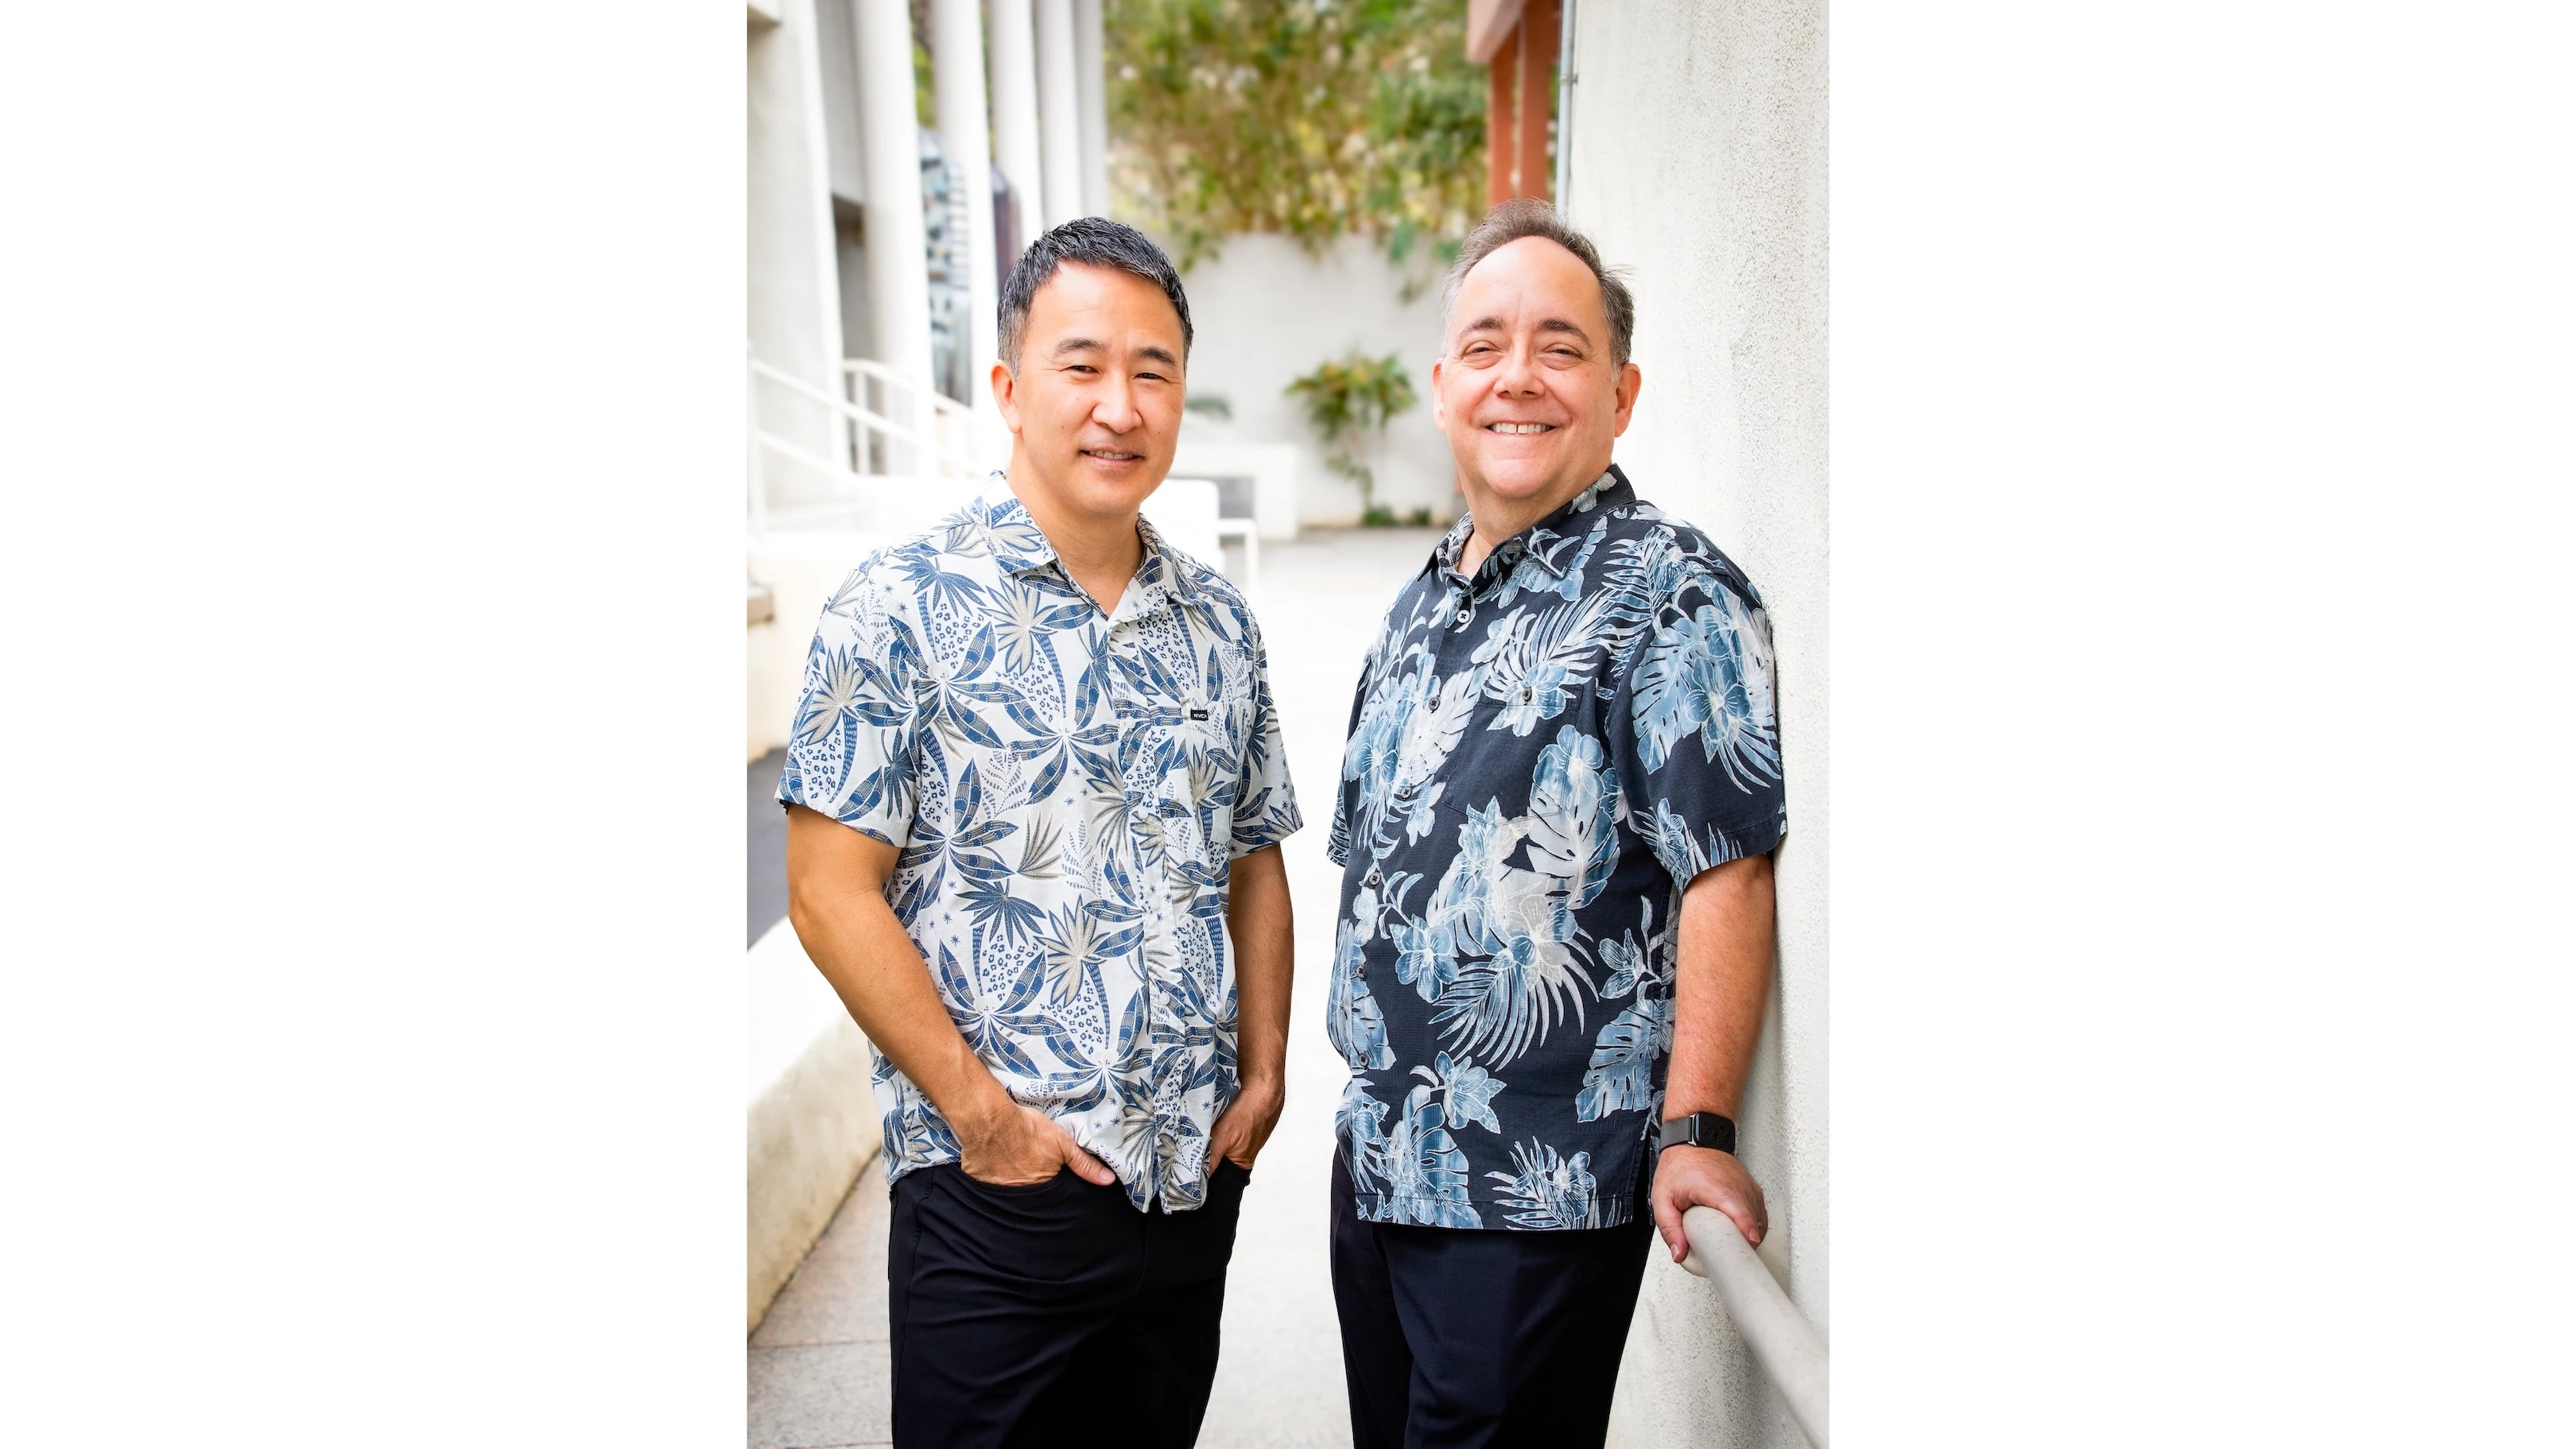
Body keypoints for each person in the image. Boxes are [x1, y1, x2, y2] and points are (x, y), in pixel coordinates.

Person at [779, 217, 1300, 1449]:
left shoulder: (1217, 622)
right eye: (1083, 365)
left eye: (1153, 371)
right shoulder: (897, 604)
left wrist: (1266, 1071)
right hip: (992, 1198)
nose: (1121, 405)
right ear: (1010, 390)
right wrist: (983, 1117)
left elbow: (1255, 853)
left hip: (1187, 1191)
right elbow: (827, 890)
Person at [1324, 199, 1787, 1447]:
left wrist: (1697, 1130)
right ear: (1441, 390)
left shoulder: (1674, 593)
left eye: (1561, 347)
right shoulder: (1421, 604)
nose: (1517, 376)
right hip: (1381, 1169)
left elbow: (1728, 872)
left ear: (1621, 395)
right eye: (1484, 346)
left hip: (1535, 1197)